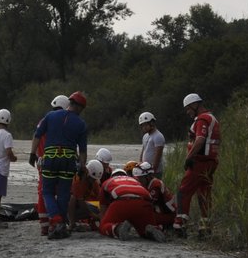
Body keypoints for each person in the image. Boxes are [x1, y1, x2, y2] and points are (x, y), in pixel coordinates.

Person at [32, 91, 88, 239]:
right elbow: (82, 150)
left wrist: (33, 154)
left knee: (47, 192)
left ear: (70, 103)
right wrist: (82, 166)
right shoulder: (81, 124)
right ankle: (61, 225)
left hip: (50, 158)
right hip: (69, 161)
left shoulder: (50, 116)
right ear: (81, 107)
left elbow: (37, 135)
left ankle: (55, 220)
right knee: (63, 194)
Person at [175, 92, 221, 236]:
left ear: (195, 105)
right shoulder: (213, 118)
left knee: (183, 191)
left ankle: (179, 226)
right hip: (211, 162)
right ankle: (205, 228)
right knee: (204, 194)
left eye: (188, 109)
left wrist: (189, 157)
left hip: (200, 162)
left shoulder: (202, 119)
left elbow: (200, 140)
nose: (188, 112)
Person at [97, 166, 168, 241]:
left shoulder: (108, 182)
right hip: (144, 203)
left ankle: (117, 229)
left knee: (103, 225)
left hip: (122, 202)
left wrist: (104, 221)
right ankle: (150, 230)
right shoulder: (135, 180)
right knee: (143, 229)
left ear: (112, 176)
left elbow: (103, 208)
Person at [137, 111, 166, 178]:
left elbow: (157, 156)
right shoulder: (145, 136)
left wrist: (153, 170)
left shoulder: (158, 136)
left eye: (145, 125)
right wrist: (140, 164)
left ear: (152, 123)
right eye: (142, 125)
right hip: (145, 171)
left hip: (154, 172)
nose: (143, 127)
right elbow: (143, 151)